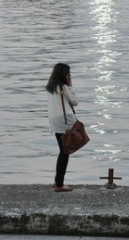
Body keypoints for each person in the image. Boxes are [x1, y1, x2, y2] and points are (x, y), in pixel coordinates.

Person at [46, 62, 78, 192]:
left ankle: (57, 181)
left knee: (63, 150)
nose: (70, 76)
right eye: (68, 74)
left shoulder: (50, 88)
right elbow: (75, 101)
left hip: (54, 121)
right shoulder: (64, 87)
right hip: (65, 121)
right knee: (65, 152)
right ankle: (59, 184)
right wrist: (71, 86)